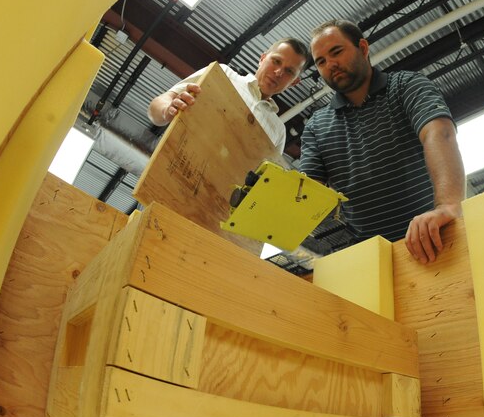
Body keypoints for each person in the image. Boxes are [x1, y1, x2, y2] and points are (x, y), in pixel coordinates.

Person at [300, 19, 465, 265]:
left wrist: (448, 205)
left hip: (436, 236)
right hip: (372, 258)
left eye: (336, 52)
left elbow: (438, 133)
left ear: (363, 48)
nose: (330, 65)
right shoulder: (315, 126)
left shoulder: (406, 85)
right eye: (320, 61)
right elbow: (306, 189)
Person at [148, 37, 309, 152]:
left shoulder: (278, 131)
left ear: (294, 82)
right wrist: (166, 110)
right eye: (276, 61)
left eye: (289, 71)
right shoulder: (222, 74)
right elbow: (159, 104)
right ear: (262, 58)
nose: (279, 72)